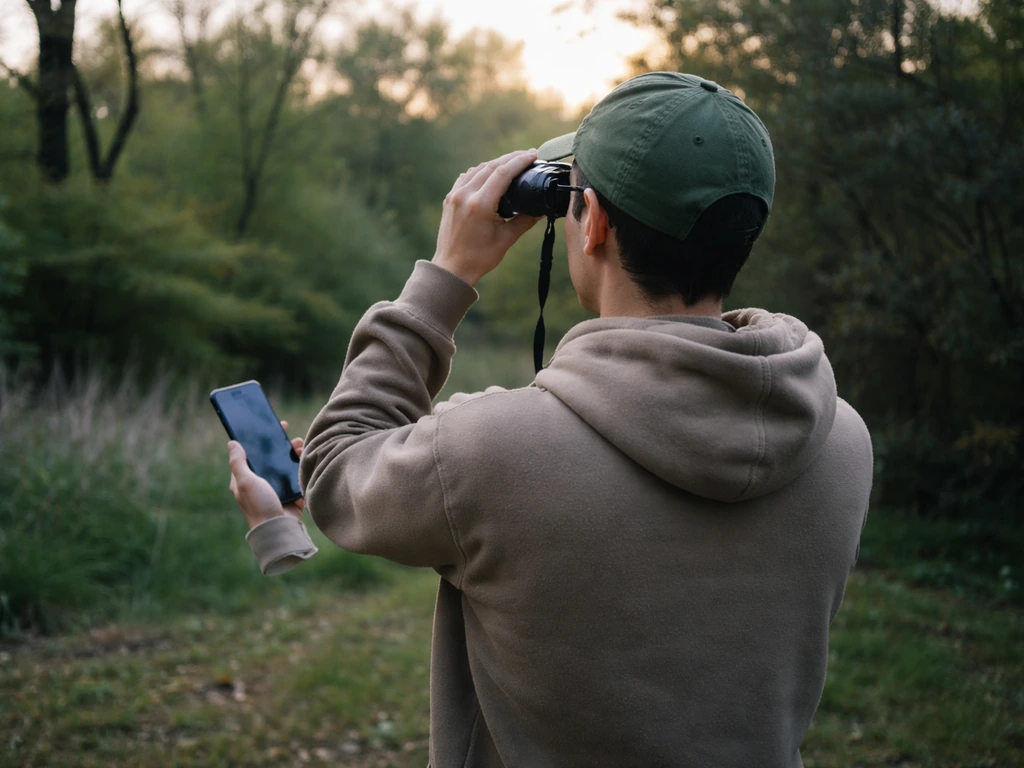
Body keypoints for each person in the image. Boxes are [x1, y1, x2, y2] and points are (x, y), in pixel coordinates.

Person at [226, 72, 873, 767]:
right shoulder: (842, 439)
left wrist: (447, 273)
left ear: (591, 221)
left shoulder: (490, 453)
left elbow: (333, 470)